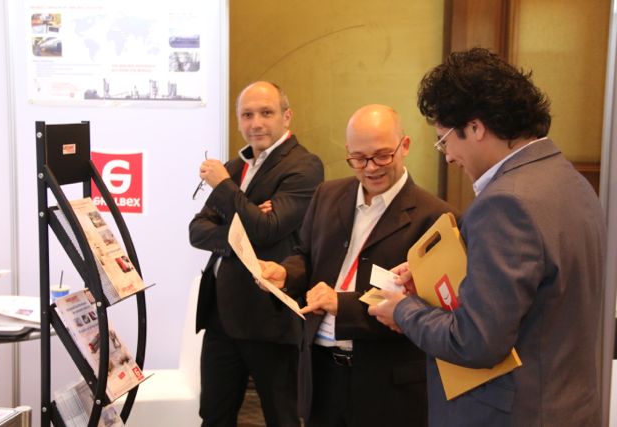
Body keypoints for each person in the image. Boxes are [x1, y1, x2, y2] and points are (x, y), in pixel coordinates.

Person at [368, 47, 606, 426]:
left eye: (444, 139)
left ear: (476, 127)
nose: (448, 156)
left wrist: (404, 310)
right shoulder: (569, 180)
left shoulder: (505, 202)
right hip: (568, 405)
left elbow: (475, 341)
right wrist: (429, 277)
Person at [260, 104, 456, 427]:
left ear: (404, 146)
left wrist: (343, 305)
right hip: (322, 372)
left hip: (387, 385)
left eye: (382, 156)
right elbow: (306, 255)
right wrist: (285, 273)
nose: (371, 168)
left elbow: (430, 310)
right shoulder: (327, 195)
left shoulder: (435, 217)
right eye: (359, 158)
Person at [189, 81, 324, 427]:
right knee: (214, 416)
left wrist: (224, 189)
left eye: (266, 113)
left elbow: (268, 229)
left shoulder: (304, 165)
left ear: (286, 116)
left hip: (269, 317)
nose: (256, 123)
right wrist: (247, 218)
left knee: (282, 417)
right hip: (220, 315)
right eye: (247, 115)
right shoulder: (236, 165)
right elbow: (197, 230)